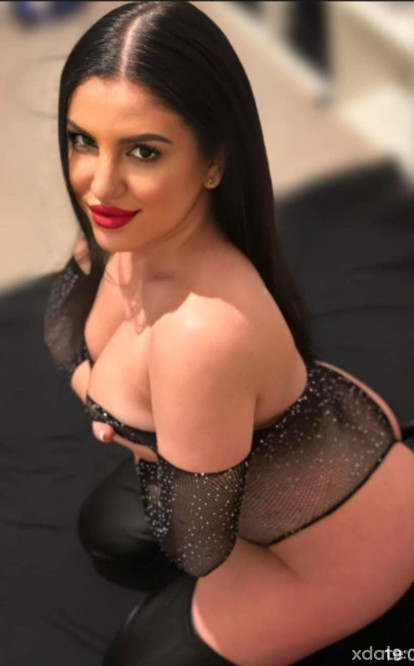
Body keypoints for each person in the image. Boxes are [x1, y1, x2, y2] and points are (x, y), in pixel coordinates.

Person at [44, 2, 414, 664]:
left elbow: (197, 547)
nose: (100, 185)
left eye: (143, 151)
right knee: (108, 533)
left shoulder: (201, 337)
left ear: (214, 161)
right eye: (83, 141)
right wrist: (127, 419)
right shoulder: (120, 232)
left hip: (335, 539)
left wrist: (125, 428)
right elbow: (63, 335)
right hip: (259, 460)